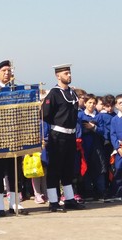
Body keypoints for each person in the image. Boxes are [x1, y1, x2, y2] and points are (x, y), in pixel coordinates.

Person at [0, 60, 28, 217]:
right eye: (4, 70)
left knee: (15, 171)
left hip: (14, 135)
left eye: (9, 70)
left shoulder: (15, 89)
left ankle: (15, 203)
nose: (7, 73)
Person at [42, 63, 85, 212]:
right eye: (66, 73)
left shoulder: (72, 93)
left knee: (68, 168)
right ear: (58, 75)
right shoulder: (54, 93)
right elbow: (45, 114)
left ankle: (69, 199)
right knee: (55, 169)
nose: (69, 75)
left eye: (70, 73)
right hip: (58, 135)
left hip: (71, 135)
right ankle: (53, 201)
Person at [110, 94, 122, 197]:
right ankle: (118, 192)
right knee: (118, 169)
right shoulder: (114, 119)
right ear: (116, 105)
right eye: (120, 103)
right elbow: (112, 135)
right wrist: (118, 148)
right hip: (120, 149)